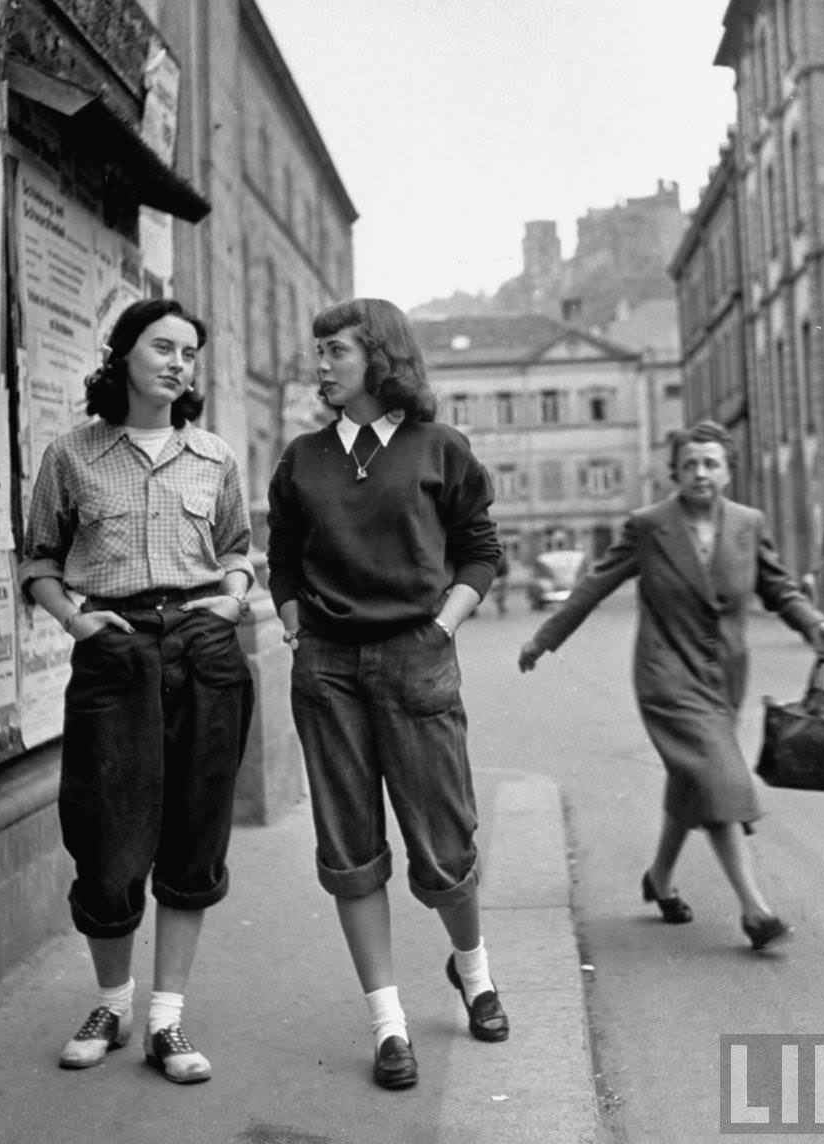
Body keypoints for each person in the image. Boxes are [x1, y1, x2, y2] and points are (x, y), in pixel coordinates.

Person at [266, 297, 508, 1091]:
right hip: (329, 671)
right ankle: (388, 1023)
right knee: (350, 850)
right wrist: (302, 631)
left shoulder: (441, 448)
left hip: (416, 659)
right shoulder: (302, 458)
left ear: (379, 356)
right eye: (319, 350)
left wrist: (441, 628)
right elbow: (285, 562)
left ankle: (472, 972)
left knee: (443, 845)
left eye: (335, 350)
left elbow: (478, 551)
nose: (321, 362)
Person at [19, 298, 255, 1083]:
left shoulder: (214, 456)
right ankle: (112, 1003)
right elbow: (39, 562)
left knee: (193, 831)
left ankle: (166, 1021)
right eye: (163, 346)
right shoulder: (72, 455)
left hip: (201, 648)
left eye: (189, 351)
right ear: (122, 353)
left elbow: (238, 550)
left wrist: (227, 601)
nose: (178, 363)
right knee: (106, 834)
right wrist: (75, 623)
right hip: (114, 652)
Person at [518, 420, 824, 950]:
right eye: (690, 463)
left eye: (711, 463)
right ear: (674, 471)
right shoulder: (649, 526)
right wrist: (544, 639)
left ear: (729, 470)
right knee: (718, 778)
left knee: (694, 780)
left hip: (722, 677)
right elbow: (595, 584)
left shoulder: (747, 523)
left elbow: (779, 588)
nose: (701, 473)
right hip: (666, 675)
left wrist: (813, 624)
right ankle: (755, 910)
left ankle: (660, 880)